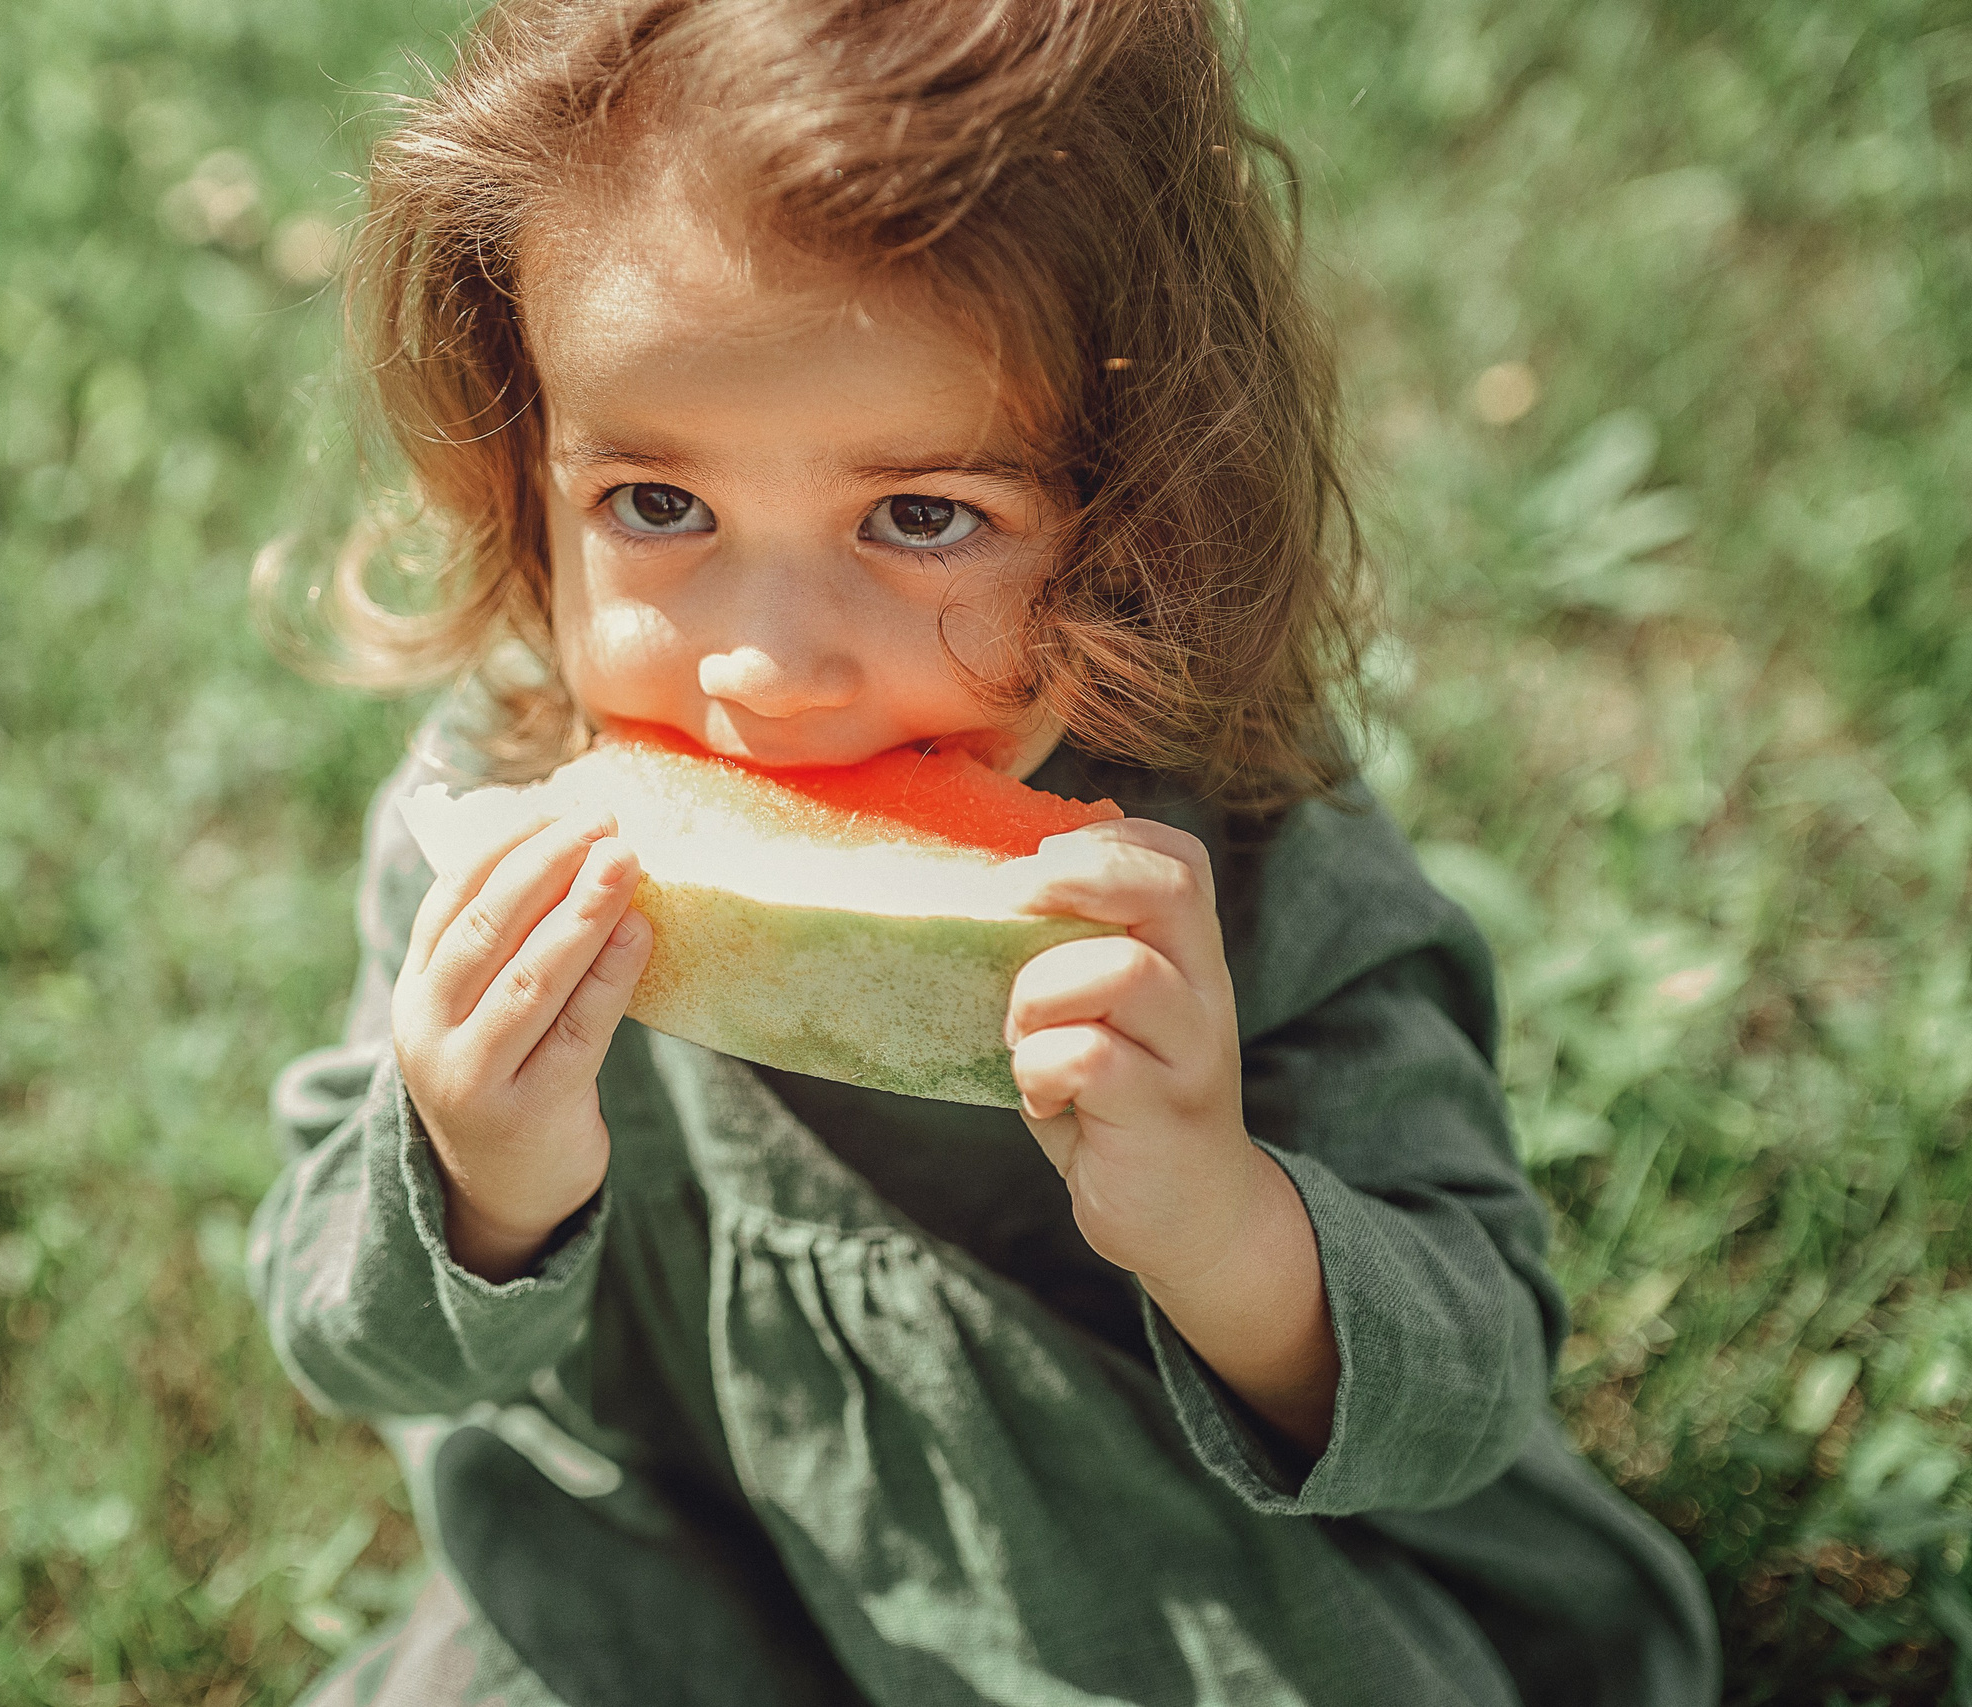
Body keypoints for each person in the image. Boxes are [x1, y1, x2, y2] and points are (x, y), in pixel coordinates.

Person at [249, 1, 1722, 1701]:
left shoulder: (1234, 854)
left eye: (922, 517)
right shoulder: (498, 808)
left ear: (1137, 501)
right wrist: (474, 1182)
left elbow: (1473, 1390)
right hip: (667, 1586)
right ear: (528, 465)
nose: (766, 669)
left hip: (1141, 1589)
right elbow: (339, 1334)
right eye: (658, 507)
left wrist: (1227, 1228)